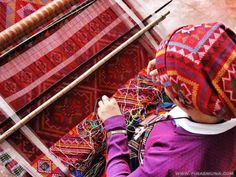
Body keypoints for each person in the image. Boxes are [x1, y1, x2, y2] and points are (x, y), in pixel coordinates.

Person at [97, 22, 236, 177]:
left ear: (181, 100)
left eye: (166, 82)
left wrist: (115, 129)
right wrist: (174, 69)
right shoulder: (226, 100)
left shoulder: (172, 160)